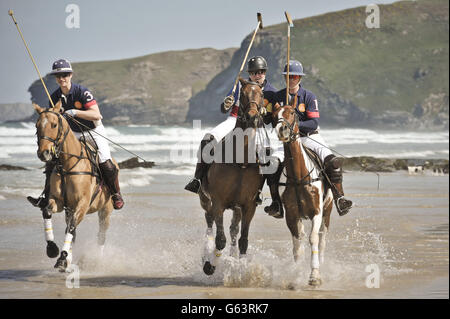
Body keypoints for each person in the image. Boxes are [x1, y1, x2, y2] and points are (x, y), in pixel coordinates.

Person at [27, 58, 124, 210]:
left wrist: (75, 112)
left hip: (93, 131)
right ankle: (46, 197)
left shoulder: (82, 92)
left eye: (65, 75)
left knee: (106, 163)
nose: (61, 78)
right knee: (51, 161)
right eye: (58, 76)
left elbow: (97, 115)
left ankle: (115, 194)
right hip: (72, 134)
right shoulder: (54, 97)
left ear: (71, 75)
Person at [184, 56, 284, 202]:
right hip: (234, 120)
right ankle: (197, 179)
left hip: (258, 125)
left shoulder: (271, 92)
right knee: (208, 140)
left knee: (267, 155)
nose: (257, 75)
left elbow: (275, 116)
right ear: (249, 73)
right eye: (254, 72)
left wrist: (266, 113)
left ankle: (262, 193)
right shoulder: (239, 85)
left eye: (261, 72)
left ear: (265, 72)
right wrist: (226, 104)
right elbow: (224, 109)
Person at [269, 59, 353, 218]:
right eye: (288, 76)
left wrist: (294, 126)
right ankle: (276, 203)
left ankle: (339, 198)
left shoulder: (308, 96)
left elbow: (313, 123)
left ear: (300, 78)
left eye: (295, 76)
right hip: (286, 141)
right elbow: (272, 119)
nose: (292, 79)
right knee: (272, 163)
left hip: (309, 137)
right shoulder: (278, 97)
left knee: (333, 162)